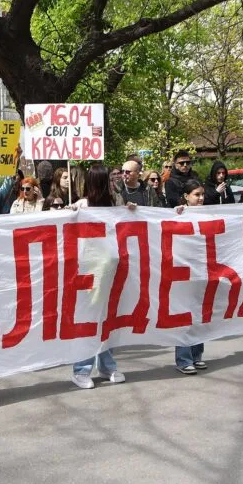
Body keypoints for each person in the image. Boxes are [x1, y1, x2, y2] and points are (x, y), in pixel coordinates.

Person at [70, 164, 136, 389]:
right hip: (89, 272)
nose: (114, 181)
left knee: (107, 319)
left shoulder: (116, 203)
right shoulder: (81, 206)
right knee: (90, 319)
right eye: (108, 179)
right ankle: (81, 369)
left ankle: (106, 364)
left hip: (111, 270)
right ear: (98, 182)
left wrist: (131, 210)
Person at [173, 180, 208, 375]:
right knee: (184, 317)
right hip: (183, 272)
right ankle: (183, 358)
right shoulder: (178, 214)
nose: (201, 198)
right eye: (196, 194)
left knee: (199, 315)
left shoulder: (206, 214)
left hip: (201, 270)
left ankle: (197, 355)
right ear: (186, 197)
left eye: (202, 194)